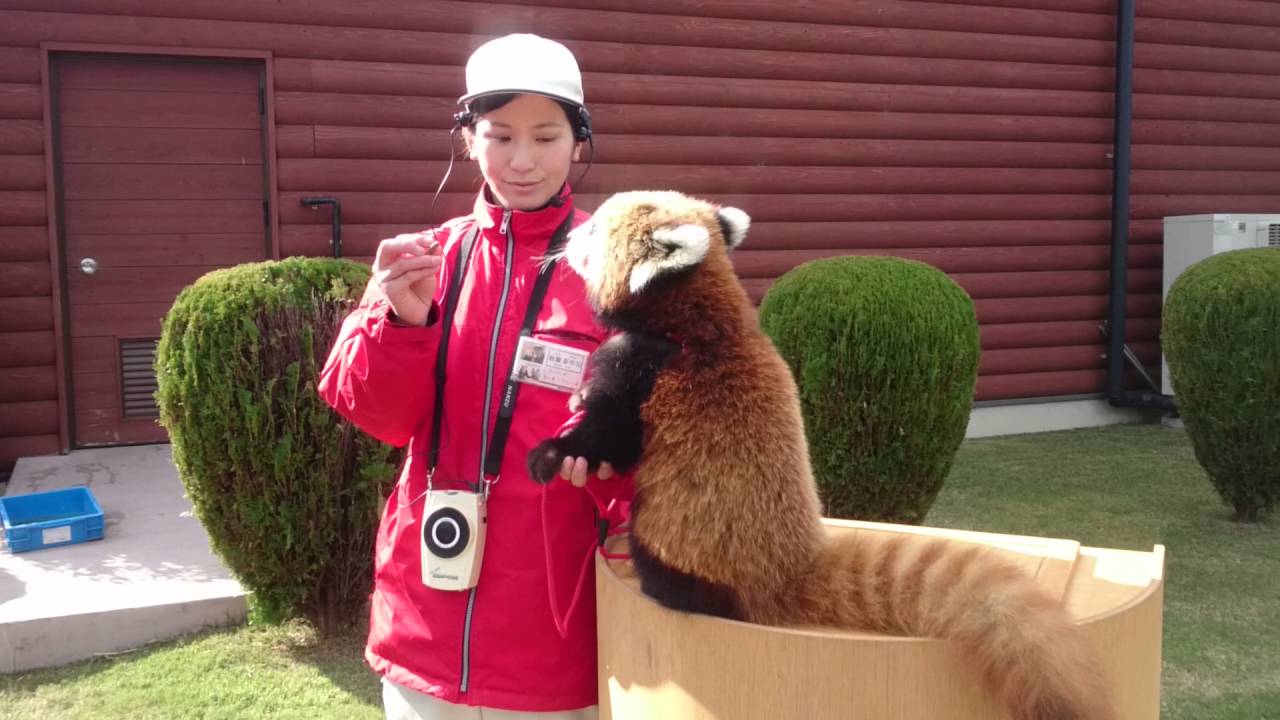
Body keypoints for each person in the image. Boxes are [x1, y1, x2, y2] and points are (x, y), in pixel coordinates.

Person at [318, 34, 629, 720]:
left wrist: (620, 481)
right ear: (467, 140)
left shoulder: (617, 274)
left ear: (579, 142)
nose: (522, 161)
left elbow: (666, 442)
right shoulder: (428, 260)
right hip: (423, 620)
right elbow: (378, 416)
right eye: (499, 135)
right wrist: (403, 322)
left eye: (546, 136)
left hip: (553, 639)